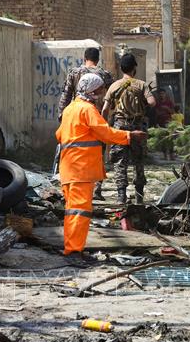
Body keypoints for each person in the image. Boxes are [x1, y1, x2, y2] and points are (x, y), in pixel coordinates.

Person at [56, 73, 146, 256]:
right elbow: (105, 133)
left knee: (72, 211)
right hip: (81, 169)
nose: (103, 91)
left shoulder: (69, 109)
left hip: (68, 168)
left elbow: (59, 135)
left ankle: (71, 247)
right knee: (79, 212)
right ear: (92, 90)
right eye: (100, 88)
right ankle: (73, 251)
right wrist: (129, 136)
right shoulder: (87, 110)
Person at [57, 47, 113, 200]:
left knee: (74, 153)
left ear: (84, 58)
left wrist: (62, 118)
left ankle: (73, 185)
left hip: (76, 120)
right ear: (98, 59)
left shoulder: (74, 73)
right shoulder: (105, 75)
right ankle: (96, 189)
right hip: (97, 119)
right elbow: (111, 97)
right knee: (98, 155)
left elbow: (66, 95)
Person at [102, 53, 156, 204]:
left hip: (119, 127)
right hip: (137, 126)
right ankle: (139, 197)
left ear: (121, 68)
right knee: (138, 161)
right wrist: (142, 105)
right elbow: (152, 102)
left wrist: (104, 126)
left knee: (120, 162)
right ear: (134, 68)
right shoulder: (141, 84)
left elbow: (105, 109)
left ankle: (121, 197)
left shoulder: (114, 86)